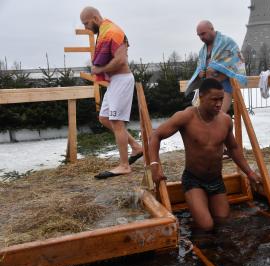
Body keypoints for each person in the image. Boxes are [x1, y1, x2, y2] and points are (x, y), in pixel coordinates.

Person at [150, 79, 260, 231]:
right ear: (201, 97)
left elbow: (234, 148)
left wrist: (249, 172)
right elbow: (155, 136)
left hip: (216, 180)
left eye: (221, 99)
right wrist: (154, 166)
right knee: (206, 226)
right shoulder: (187, 117)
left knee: (223, 222)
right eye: (214, 99)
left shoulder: (225, 120)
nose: (219, 104)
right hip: (194, 180)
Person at [80, 7, 144, 179]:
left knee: (116, 121)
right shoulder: (103, 32)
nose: (86, 28)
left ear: (94, 17)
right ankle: (136, 147)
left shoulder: (113, 31)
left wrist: (99, 69)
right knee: (104, 118)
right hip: (115, 82)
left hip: (122, 80)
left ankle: (124, 166)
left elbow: (120, 61)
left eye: (86, 23)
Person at [185, 20, 247, 114]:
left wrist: (217, 68)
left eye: (203, 34)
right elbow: (201, 66)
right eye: (199, 35)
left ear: (212, 29)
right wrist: (201, 72)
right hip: (209, 88)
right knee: (205, 117)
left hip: (225, 85)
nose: (201, 37)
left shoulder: (227, 42)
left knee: (219, 116)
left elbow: (235, 60)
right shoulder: (203, 50)